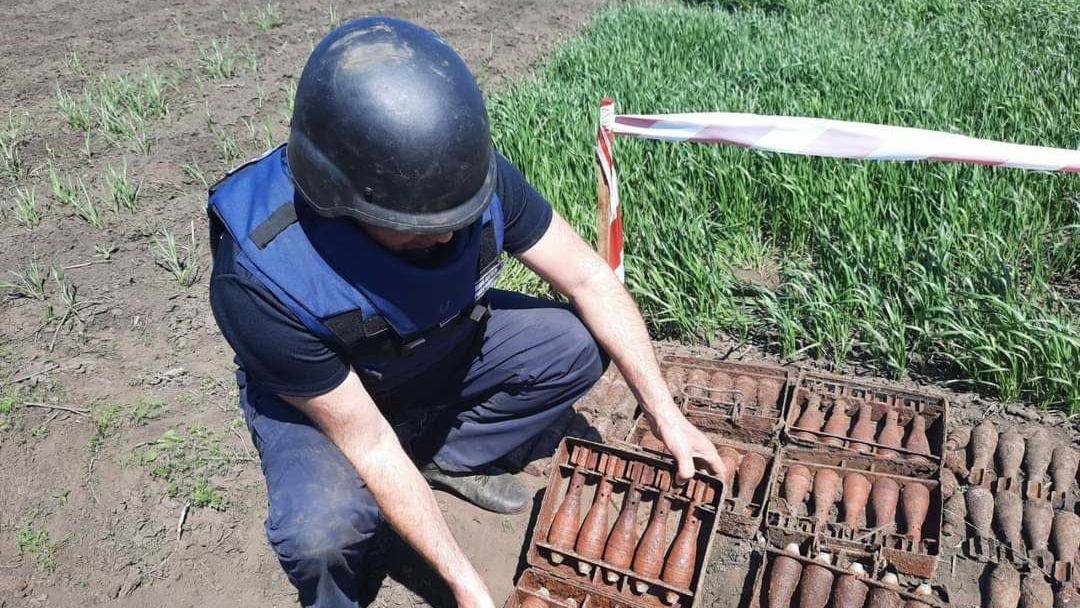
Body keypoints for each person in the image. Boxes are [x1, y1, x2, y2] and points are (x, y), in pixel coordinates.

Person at [206, 15, 724, 608]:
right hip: (328, 400)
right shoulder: (259, 280)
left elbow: (588, 277)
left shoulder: (456, 181)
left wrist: (665, 414)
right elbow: (369, 441)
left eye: (458, 216)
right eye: (416, 228)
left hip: (436, 344)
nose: (447, 235)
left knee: (578, 345)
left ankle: (447, 459)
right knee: (321, 532)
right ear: (339, 199)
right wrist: (464, 584)